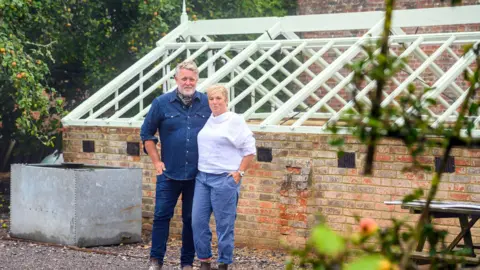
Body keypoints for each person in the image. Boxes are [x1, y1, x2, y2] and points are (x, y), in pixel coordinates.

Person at [140, 60, 211, 270]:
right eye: (184, 78)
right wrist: (156, 162)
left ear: (196, 80)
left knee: (191, 219)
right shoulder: (161, 103)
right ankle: (156, 260)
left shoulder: (207, 103)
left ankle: (186, 262)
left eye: (192, 79)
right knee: (162, 216)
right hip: (168, 173)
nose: (188, 82)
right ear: (176, 80)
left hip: (197, 175)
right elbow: (146, 133)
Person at [192, 85, 256, 270]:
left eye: (218, 98)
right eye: (211, 99)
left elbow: (250, 150)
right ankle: (204, 261)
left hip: (224, 179)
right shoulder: (208, 120)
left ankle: (224, 263)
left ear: (226, 100)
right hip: (202, 178)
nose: (214, 102)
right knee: (197, 221)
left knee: (224, 225)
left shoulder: (234, 120)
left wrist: (239, 172)